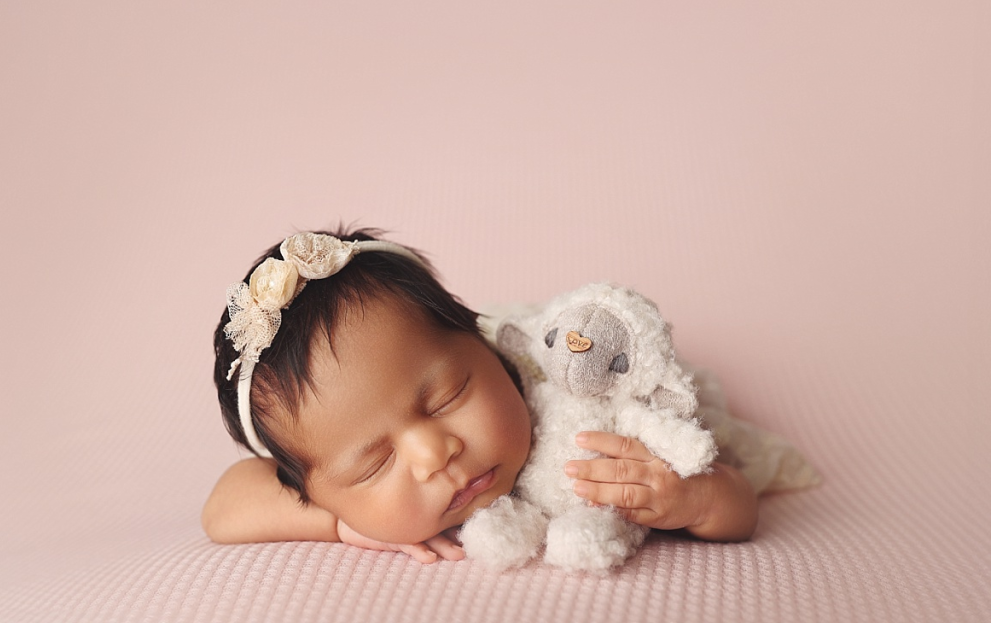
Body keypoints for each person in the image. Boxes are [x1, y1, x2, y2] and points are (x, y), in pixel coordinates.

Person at [202, 227, 758, 564]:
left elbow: (739, 500)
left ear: (486, 349)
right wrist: (342, 523)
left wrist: (697, 500)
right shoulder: (330, 484)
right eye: (374, 464)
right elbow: (223, 508)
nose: (434, 454)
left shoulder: (576, 398)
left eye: (447, 397)